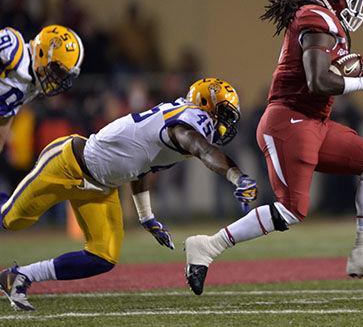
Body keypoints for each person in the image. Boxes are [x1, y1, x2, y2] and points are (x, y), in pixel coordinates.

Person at [184, 0, 363, 296]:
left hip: (313, 122)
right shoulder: (316, 18)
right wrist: (361, 80)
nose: (354, 7)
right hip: (289, 121)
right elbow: (319, 81)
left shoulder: (317, 18)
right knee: (291, 210)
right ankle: (207, 246)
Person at [0, 78, 257, 311]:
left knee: (102, 257)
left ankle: (18, 276)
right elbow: (202, 149)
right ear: (204, 104)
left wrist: (146, 217)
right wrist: (237, 177)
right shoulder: (186, 123)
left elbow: (141, 166)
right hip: (68, 164)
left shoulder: (178, 124)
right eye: (224, 113)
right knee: (11, 219)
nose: (227, 123)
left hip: (101, 187)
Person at [0, 24, 83, 152]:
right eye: (57, 71)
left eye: (63, 75)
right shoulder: (13, 47)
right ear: (42, 52)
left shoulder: (33, 86)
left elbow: (5, 113)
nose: (57, 79)